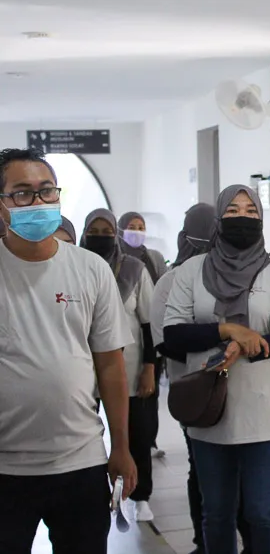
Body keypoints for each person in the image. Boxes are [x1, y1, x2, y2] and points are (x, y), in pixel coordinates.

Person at [163, 185, 270, 554]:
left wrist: (251, 346)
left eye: (251, 210)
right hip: (209, 411)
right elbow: (173, 335)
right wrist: (226, 330)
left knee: (263, 512)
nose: (243, 218)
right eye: (233, 210)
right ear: (219, 219)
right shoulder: (192, 271)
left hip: (265, 412)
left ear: (261, 218)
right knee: (216, 513)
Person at [0, 148, 137, 554]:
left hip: (79, 460)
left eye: (46, 191)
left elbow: (111, 367)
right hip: (6, 468)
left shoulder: (90, 269)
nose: (37, 202)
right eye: (22, 194)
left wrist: (122, 448)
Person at [81, 209, 157, 522]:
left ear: (115, 233)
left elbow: (150, 324)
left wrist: (150, 367)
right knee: (88, 438)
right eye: (94, 231)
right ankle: (94, 493)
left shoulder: (134, 270)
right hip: (83, 373)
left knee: (136, 435)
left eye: (106, 231)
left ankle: (141, 497)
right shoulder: (78, 268)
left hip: (128, 369)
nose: (101, 237)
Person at [150, 203, 216, 554]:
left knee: (228, 470)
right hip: (195, 393)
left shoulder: (242, 273)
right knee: (203, 468)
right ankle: (203, 542)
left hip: (240, 391)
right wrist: (215, 350)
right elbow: (166, 341)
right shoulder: (172, 281)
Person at [118, 211, 168, 458]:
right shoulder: (112, 259)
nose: (137, 231)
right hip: (120, 350)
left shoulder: (152, 258)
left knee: (147, 399)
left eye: (141, 227)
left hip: (149, 337)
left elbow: (161, 288)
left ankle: (148, 442)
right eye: (131, 226)